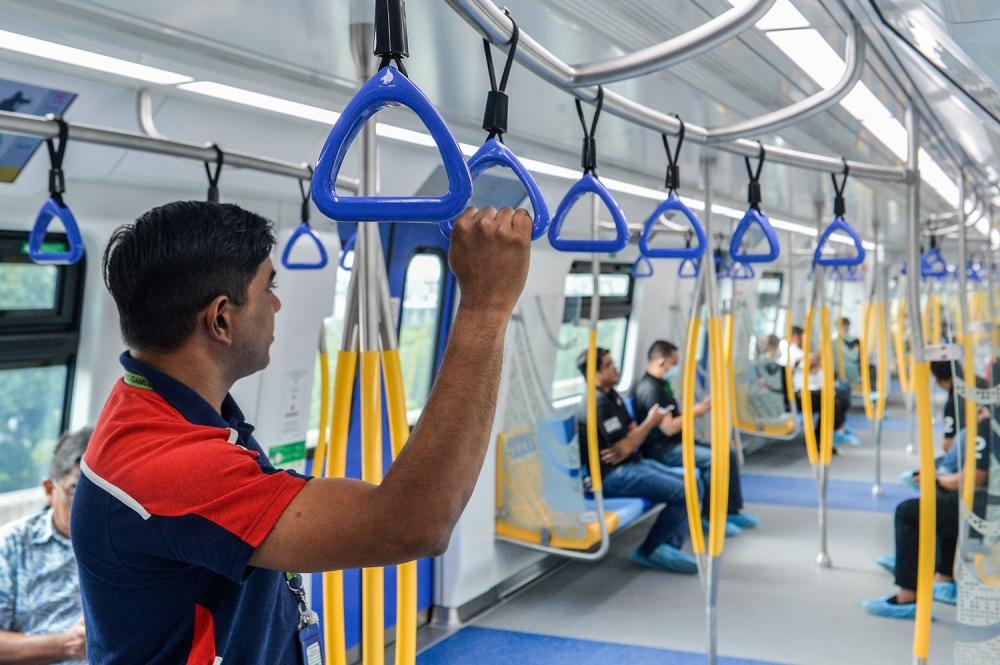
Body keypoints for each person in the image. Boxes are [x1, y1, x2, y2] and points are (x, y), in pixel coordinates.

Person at [72, 201, 531, 664]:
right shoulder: (169, 468)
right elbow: (414, 524)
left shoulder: (152, 405)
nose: (276, 304)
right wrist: (486, 305)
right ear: (221, 319)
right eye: (266, 288)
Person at [862, 362, 995, 618]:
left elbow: (972, 480)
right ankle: (942, 575)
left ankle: (907, 596)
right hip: (987, 496)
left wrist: (937, 479)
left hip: (988, 507)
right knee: (946, 498)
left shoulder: (986, 425)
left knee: (908, 512)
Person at [575, 347, 698, 574]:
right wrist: (648, 424)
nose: (615, 369)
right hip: (610, 476)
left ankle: (668, 545)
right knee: (684, 491)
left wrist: (630, 441)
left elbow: (631, 435)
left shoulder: (612, 396)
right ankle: (653, 550)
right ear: (595, 373)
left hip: (630, 463)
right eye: (609, 365)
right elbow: (625, 445)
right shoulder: (596, 404)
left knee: (693, 483)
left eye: (614, 363)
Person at [632, 341, 759, 535]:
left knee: (729, 453)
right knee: (714, 459)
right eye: (673, 363)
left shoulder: (662, 385)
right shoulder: (650, 389)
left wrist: (699, 408)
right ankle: (709, 517)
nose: (675, 368)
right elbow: (668, 428)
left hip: (677, 443)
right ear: (661, 362)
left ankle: (730, 510)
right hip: (662, 450)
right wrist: (696, 412)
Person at [0, 429, 91, 665]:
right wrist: (65, 644)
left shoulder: (130, 545)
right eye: (75, 491)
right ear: (50, 491)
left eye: (100, 495)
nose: (89, 507)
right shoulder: (12, 545)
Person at [785, 325, 859, 447]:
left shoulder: (802, 352)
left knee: (843, 398)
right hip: (800, 393)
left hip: (812, 388)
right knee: (831, 401)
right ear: (796, 337)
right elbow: (806, 364)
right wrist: (819, 355)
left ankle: (832, 430)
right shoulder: (792, 351)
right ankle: (826, 435)